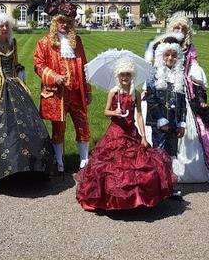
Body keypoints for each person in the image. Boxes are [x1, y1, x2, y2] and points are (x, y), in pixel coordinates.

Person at [75, 58, 176, 211]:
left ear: (132, 76)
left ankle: (136, 199)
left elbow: (140, 115)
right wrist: (114, 112)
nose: (124, 78)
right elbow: (105, 111)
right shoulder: (113, 92)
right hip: (116, 132)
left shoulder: (135, 93)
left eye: (127, 75)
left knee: (139, 163)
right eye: (122, 75)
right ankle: (111, 200)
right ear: (118, 76)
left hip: (131, 131)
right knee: (111, 165)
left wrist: (143, 136)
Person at [0, 12, 54, 184]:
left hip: (15, 84)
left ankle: (32, 166)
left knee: (27, 122)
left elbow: (17, 65)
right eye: (1, 26)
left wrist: (22, 81)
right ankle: (2, 169)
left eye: (7, 26)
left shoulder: (13, 43)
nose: (5, 29)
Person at [164, 11, 209, 184]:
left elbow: (194, 72)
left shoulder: (189, 49)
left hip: (185, 90)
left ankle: (188, 169)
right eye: (176, 27)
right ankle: (164, 167)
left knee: (194, 128)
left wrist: (200, 95)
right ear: (170, 28)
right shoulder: (162, 45)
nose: (179, 30)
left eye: (182, 28)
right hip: (165, 88)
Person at [33, 2, 92, 172]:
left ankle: (84, 161)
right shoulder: (44, 42)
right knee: (58, 128)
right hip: (58, 93)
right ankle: (59, 162)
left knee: (83, 126)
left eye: (68, 22)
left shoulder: (77, 42)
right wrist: (54, 76)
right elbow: (38, 64)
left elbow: (84, 66)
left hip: (76, 91)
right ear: (55, 22)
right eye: (62, 21)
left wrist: (87, 90)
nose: (65, 25)